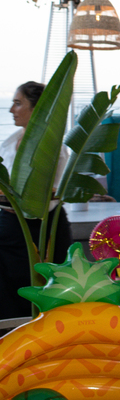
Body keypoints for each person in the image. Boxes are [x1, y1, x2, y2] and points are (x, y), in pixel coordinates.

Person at [0, 81, 71, 319]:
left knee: (43, 292)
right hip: (10, 226)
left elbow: (50, 191)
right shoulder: (9, 143)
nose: (11, 110)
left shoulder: (52, 147)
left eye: (18, 103)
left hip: (43, 229)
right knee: (6, 291)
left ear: (37, 108)